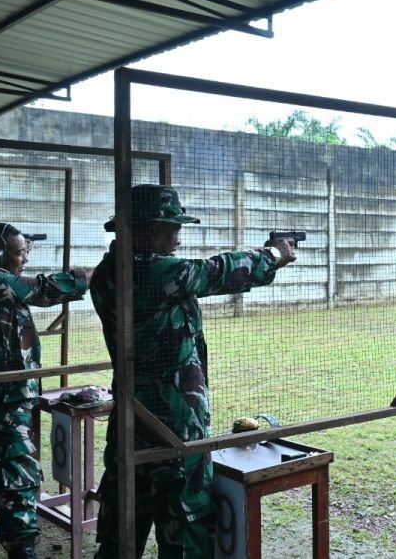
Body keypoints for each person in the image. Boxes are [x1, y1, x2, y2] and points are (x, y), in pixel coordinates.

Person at [90, 184, 298, 558]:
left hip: (132, 416)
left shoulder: (108, 271)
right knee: (185, 527)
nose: (178, 237)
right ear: (150, 230)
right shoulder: (153, 273)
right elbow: (217, 271)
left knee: (123, 523)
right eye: (173, 228)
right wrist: (274, 254)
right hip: (173, 426)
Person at [0, 223, 88, 559]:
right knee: (19, 465)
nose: (25, 258)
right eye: (19, 252)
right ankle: (21, 546)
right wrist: (88, 276)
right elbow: (41, 290)